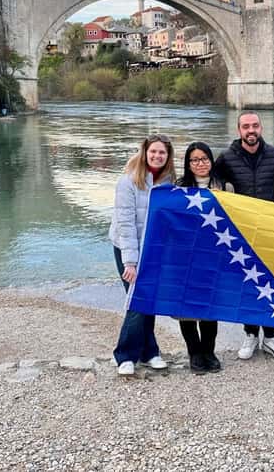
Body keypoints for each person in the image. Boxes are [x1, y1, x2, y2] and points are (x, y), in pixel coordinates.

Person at [215, 111, 274, 362]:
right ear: (239, 130)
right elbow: (211, 185)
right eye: (246, 126)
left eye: (255, 125)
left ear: (261, 128)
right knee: (247, 284)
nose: (251, 130)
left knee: (272, 283)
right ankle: (250, 334)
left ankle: (271, 336)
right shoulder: (226, 158)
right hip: (242, 232)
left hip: (271, 231)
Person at [109, 134, 175, 376]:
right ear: (145, 152)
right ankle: (125, 355)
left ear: (168, 156)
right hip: (127, 246)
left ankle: (149, 352)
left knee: (149, 300)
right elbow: (125, 225)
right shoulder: (128, 181)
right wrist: (130, 262)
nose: (157, 156)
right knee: (137, 300)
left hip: (152, 249)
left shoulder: (168, 182)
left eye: (162, 152)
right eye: (153, 151)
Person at [176, 142, 233, 375]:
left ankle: (209, 351)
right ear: (188, 164)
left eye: (204, 159)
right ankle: (194, 353)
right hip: (187, 257)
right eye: (195, 160)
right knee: (186, 308)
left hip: (214, 255)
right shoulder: (179, 188)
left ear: (211, 160)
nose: (200, 163)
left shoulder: (225, 187)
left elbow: (234, 221)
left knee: (210, 305)